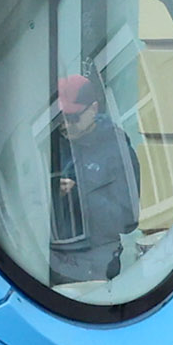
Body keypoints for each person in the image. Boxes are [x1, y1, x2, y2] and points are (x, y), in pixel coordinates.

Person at [46, 72, 141, 287]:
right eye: (61, 117)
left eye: (73, 117)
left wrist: (80, 193)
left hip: (96, 265)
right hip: (51, 260)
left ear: (94, 109)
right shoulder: (51, 143)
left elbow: (128, 220)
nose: (66, 125)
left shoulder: (116, 151)